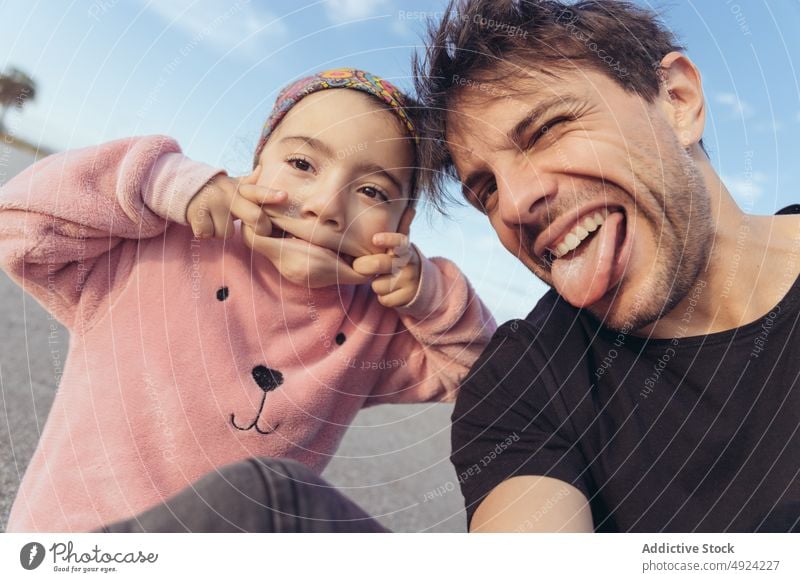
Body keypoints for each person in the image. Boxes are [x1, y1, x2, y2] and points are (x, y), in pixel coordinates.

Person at [0, 68, 496, 532]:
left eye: (370, 191)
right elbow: (20, 226)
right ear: (256, 168)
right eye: (302, 164)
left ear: (401, 226)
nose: (325, 205)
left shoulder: (373, 326)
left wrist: (428, 294)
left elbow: (483, 375)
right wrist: (164, 183)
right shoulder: (158, 250)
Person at [411, 0, 800, 532]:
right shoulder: (522, 382)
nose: (515, 203)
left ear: (677, 101)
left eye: (547, 129)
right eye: (486, 191)